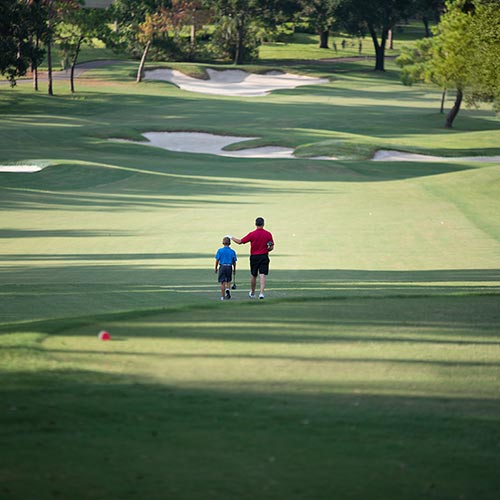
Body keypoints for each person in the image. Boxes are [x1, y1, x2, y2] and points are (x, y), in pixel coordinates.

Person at [231, 217, 274, 300]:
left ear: (255, 224)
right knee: (262, 275)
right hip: (264, 256)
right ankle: (261, 293)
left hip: (254, 256)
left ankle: (253, 292)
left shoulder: (252, 234)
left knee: (254, 275)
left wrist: (231, 237)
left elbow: (240, 241)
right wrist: (268, 249)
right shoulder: (268, 234)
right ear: (263, 224)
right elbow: (271, 247)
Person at [215, 236, 237, 301]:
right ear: (229, 243)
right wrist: (234, 269)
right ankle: (227, 289)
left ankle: (222, 296)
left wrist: (216, 268)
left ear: (223, 243)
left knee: (222, 282)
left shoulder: (220, 250)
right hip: (229, 267)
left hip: (222, 266)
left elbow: (217, 260)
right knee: (228, 281)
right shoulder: (232, 251)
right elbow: (234, 262)